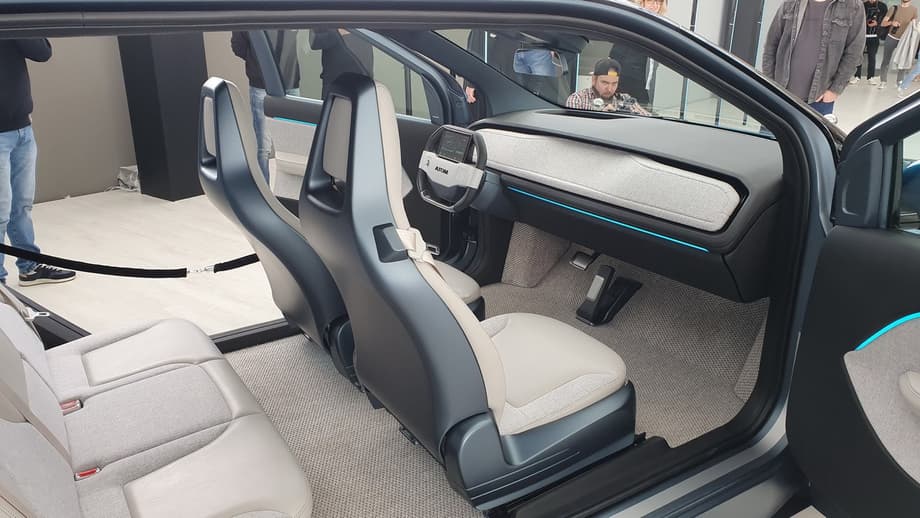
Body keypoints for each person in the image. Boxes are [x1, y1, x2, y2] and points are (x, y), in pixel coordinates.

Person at [0, 39, 76, 286]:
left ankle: (29, 267)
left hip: (22, 129)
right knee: (0, 211)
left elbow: (42, 52)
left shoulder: (11, 22)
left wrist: (15, 22)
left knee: (21, 206)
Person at [762, 0, 866, 117]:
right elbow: (771, 45)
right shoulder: (791, 3)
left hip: (819, 99)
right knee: (772, 128)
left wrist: (834, 90)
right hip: (780, 93)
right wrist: (770, 83)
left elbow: (854, 53)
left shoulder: (852, 6)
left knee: (812, 130)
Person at [231, 30, 300, 182]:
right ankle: (264, 190)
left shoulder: (286, 16)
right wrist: (257, 60)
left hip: (290, 80)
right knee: (263, 144)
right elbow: (238, 46)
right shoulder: (247, 18)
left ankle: (291, 189)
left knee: (293, 142)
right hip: (261, 84)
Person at [565, 58, 650, 115]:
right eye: (605, 83)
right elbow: (573, 129)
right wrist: (601, 117)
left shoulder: (625, 99)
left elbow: (648, 119)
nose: (609, 89)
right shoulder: (578, 99)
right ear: (594, 79)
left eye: (614, 83)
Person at [309, 28, 373, 99]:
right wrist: (338, 33)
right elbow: (314, 41)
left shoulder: (363, 24)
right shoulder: (326, 21)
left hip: (361, 79)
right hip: (334, 81)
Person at [877, 0, 918, 88]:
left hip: (904, 40)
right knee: (886, 60)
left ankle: (899, 81)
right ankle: (883, 81)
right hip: (891, 37)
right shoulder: (894, 8)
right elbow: (883, 23)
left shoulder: (914, 10)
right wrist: (892, 22)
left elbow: (914, 26)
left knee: (902, 60)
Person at [850, 0, 889, 85]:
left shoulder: (882, 6)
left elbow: (886, 20)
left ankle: (871, 77)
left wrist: (877, 23)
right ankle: (857, 76)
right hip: (862, 35)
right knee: (858, 56)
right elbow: (857, 18)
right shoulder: (863, 5)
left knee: (872, 57)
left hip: (875, 35)